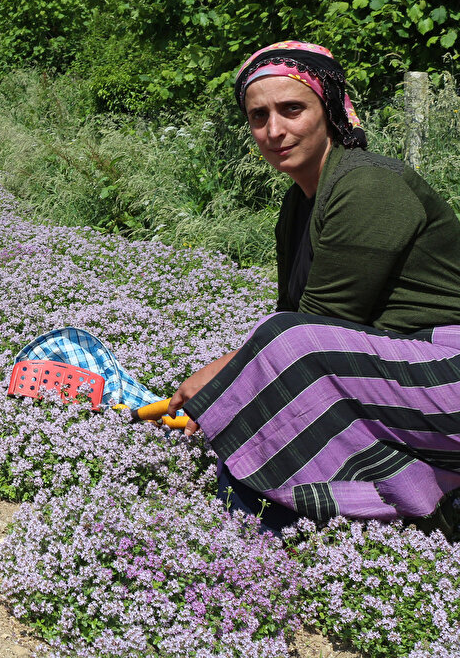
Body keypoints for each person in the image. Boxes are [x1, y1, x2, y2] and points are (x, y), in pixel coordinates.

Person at [168, 41, 460, 531]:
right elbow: (294, 315)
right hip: (409, 376)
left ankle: (261, 531)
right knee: (278, 356)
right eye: (258, 116)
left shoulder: (368, 185)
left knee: (290, 349)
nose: (274, 130)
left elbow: (317, 325)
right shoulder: (298, 206)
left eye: (292, 109)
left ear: (328, 111)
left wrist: (221, 380)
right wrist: (226, 382)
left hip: (447, 372)